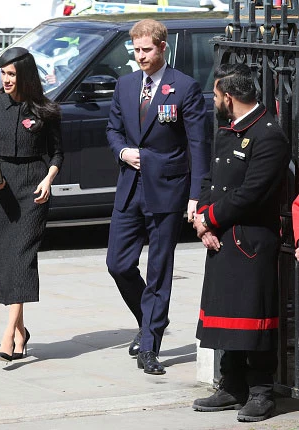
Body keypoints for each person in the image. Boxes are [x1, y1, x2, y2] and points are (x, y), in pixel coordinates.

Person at [105, 19, 210, 375]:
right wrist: (122, 152)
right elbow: (113, 129)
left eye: (146, 50)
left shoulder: (184, 87)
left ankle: (150, 345)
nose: (140, 57)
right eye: (135, 50)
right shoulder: (126, 84)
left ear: (162, 47)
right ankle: (147, 320)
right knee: (118, 264)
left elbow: (197, 145)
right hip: (130, 189)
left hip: (167, 191)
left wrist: (195, 196)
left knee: (158, 271)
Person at [192, 63, 290, 423]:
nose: (214, 100)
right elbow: (211, 179)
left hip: (250, 241)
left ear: (229, 98)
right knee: (226, 318)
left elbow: (252, 193)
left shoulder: (268, 136)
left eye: (217, 95)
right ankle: (232, 384)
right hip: (220, 238)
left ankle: (261, 392)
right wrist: (203, 221)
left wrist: (211, 218)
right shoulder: (227, 130)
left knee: (253, 319)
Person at [0, 46, 63, 362]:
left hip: (33, 188)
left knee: (22, 257)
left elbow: (57, 153)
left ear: (25, 75)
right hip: (1, 189)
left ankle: (8, 334)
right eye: (3, 73)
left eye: (11, 73)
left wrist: (48, 179)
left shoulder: (46, 109)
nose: (6, 79)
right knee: (3, 259)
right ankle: (23, 331)